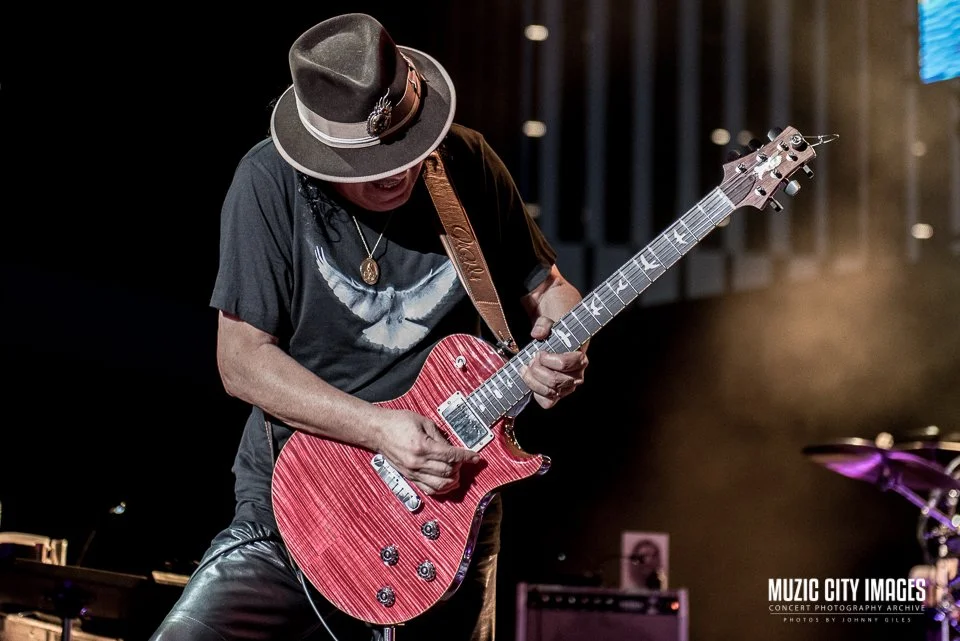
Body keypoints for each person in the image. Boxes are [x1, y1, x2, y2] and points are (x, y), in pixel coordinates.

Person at [150, 12, 587, 641]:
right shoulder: (268, 182)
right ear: (320, 157)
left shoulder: (465, 162)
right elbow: (241, 360)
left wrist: (567, 344)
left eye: (408, 147)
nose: (397, 171)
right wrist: (379, 429)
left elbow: (549, 291)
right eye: (371, 163)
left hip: (445, 507)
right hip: (303, 508)